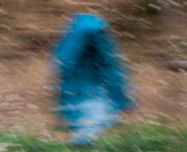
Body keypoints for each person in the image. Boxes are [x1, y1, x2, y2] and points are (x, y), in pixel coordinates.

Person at [52, 13, 132, 144]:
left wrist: (62, 99)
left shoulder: (70, 35)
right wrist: (121, 98)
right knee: (88, 133)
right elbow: (110, 67)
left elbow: (62, 66)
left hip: (75, 97)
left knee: (82, 134)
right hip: (95, 97)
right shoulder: (98, 34)